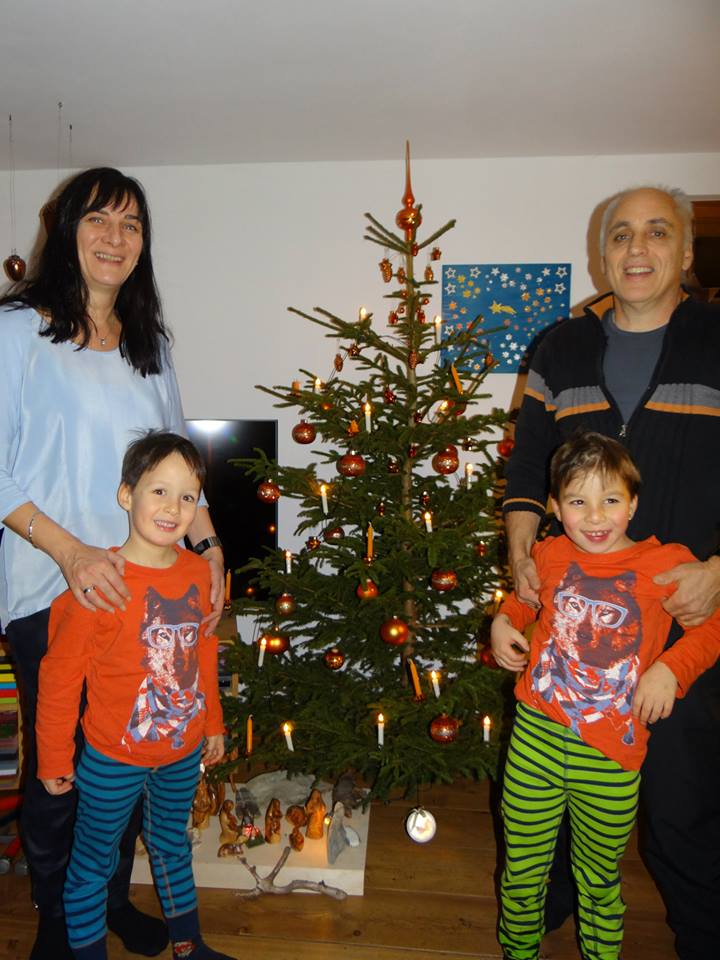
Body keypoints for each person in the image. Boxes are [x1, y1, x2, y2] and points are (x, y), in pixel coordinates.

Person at [0, 168, 224, 960]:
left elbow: (179, 462)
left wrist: (209, 546)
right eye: (98, 219)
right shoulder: (16, 332)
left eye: (131, 224)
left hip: (148, 588)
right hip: (51, 585)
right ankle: (59, 927)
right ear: (66, 231)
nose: (115, 237)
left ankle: (110, 905)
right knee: (60, 766)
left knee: (132, 759)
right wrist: (70, 552)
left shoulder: (148, 344)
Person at [503, 185, 720, 959]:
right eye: (620, 234)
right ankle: (546, 910)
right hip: (573, 628)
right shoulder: (559, 347)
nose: (637, 247)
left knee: (683, 803)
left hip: (685, 615)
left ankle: (703, 935)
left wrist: (719, 571)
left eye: (657, 232)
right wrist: (522, 558)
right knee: (551, 778)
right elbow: (527, 464)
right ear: (602, 255)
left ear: (685, 252)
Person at [493, 432, 720, 960]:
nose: (595, 518)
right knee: (522, 868)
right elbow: (525, 599)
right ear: (554, 507)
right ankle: (518, 951)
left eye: (610, 500)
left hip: (611, 757)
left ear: (633, 503)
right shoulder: (550, 554)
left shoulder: (664, 563)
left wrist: (670, 669)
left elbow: (712, 628)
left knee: (598, 880)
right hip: (535, 741)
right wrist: (506, 619)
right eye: (577, 502)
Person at [36, 430, 234, 960]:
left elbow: (204, 654)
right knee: (93, 863)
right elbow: (59, 678)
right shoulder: (99, 582)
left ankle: (189, 946)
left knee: (172, 846)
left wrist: (213, 722)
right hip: (112, 756)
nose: (173, 508)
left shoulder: (199, 574)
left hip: (181, 750)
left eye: (187, 496)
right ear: (127, 494)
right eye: (159, 491)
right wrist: (54, 756)